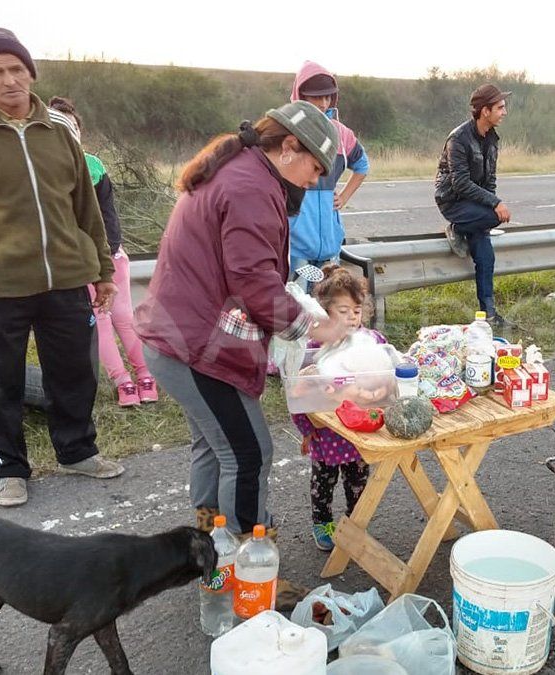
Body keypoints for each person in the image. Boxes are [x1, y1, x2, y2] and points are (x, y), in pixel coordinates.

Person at [135, 101, 349, 537]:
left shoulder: (244, 172)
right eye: (316, 168)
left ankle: (208, 548)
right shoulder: (251, 187)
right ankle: (245, 566)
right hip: (194, 347)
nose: (316, 180)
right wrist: (315, 326)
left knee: (215, 449)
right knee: (249, 454)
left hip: (179, 336)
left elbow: (257, 271)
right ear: (289, 147)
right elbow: (253, 282)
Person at [0, 28, 125, 508]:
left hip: (64, 277)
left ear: (30, 72)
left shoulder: (61, 127)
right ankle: (10, 469)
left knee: (76, 373)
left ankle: (78, 451)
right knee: (3, 381)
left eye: (16, 69)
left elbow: (87, 206)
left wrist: (102, 269)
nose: (9, 80)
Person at [48, 96, 158, 408]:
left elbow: (106, 215)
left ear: (78, 132)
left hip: (101, 256)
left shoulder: (89, 166)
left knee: (115, 316)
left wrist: (105, 256)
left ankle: (138, 378)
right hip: (88, 257)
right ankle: (131, 380)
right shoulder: (67, 167)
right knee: (109, 318)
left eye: (70, 128)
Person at [290, 266, 379, 551]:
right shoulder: (316, 350)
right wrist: (306, 429)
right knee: (322, 486)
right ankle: (323, 524)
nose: (352, 317)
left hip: (358, 435)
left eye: (357, 310)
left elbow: (384, 367)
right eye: (343, 311)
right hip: (326, 435)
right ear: (326, 313)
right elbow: (298, 394)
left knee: (358, 485)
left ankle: (356, 525)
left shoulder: (370, 341)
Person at [435, 83, 514, 329]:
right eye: (500, 107)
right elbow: (459, 183)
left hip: (474, 204)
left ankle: (488, 314)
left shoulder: (492, 139)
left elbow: (489, 180)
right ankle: (458, 228)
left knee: (485, 256)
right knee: (495, 217)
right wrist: (494, 204)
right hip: (453, 201)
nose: (505, 112)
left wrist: (489, 204)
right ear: (484, 111)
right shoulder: (458, 138)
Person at [287, 61, 371, 289]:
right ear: (300, 96)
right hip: (295, 246)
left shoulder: (342, 134)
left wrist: (343, 197)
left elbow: (362, 166)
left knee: (329, 309)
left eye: (328, 97)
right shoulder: (288, 130)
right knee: (297, 309)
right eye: (316, 97)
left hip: (330, 246)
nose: (323, 103)